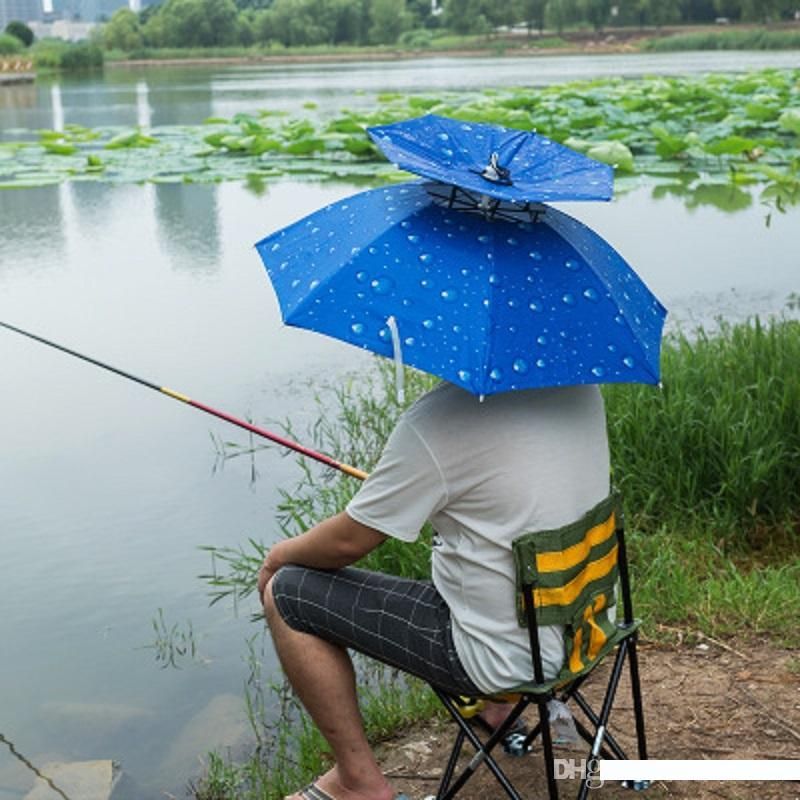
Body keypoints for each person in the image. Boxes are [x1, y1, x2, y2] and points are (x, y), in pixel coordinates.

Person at [258, 380, 610, 800]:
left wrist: (277, 556)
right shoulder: (580, 388)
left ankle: (358, 783)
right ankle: (498, 708)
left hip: (502, 660)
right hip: (586, 631)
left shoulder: (440, 419)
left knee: (288, 593)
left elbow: (348, 542)